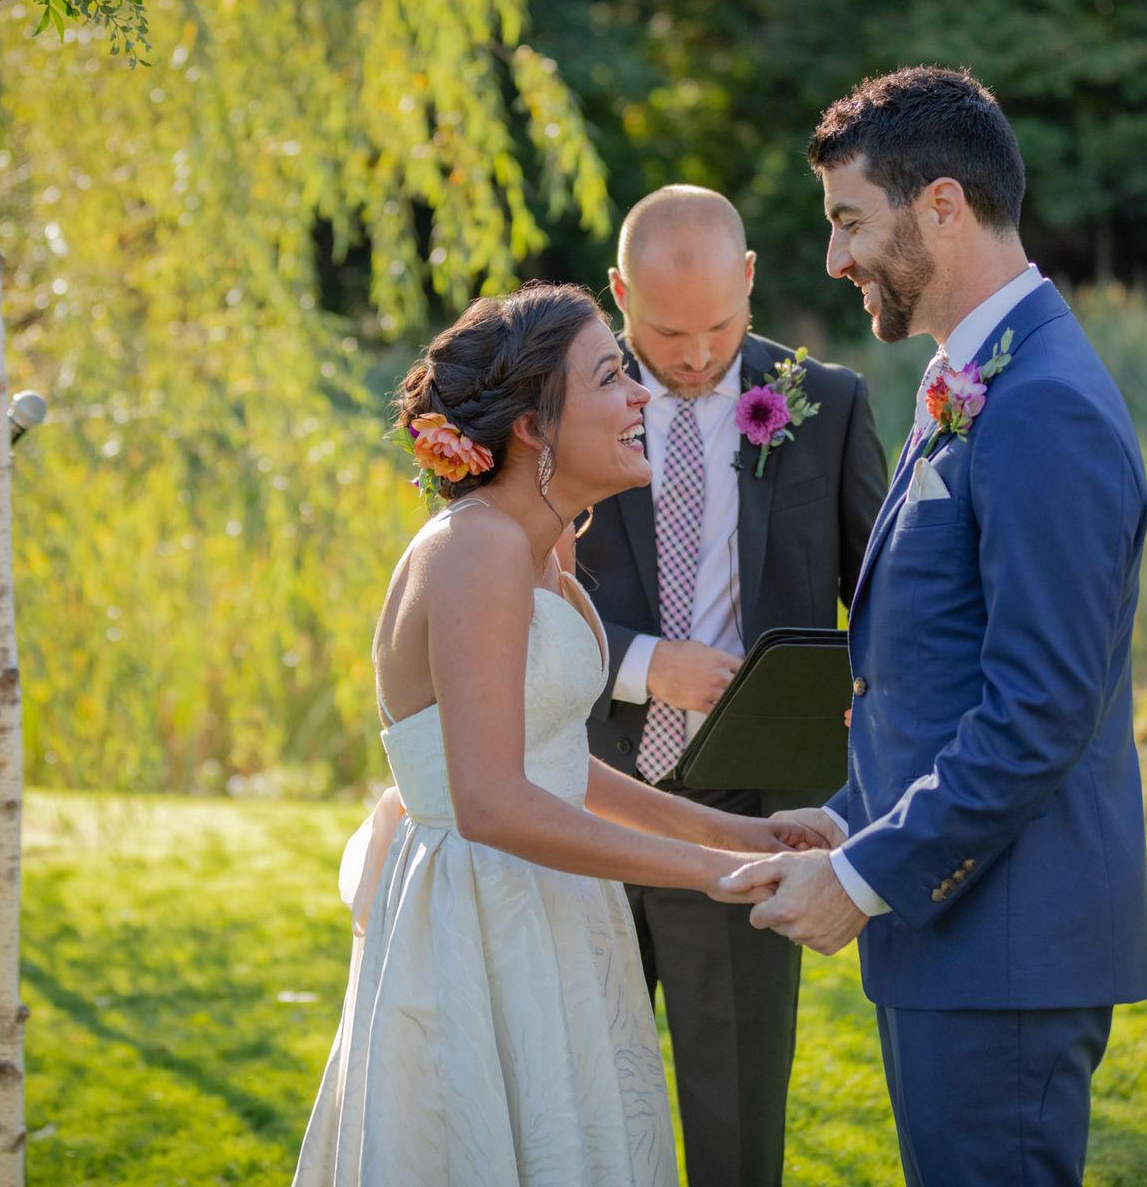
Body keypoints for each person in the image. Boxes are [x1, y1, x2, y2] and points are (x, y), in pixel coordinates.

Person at [729, 67, 1147, 1186]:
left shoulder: (1043, 403)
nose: (832, 259)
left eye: (847, 220)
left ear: (941, 206)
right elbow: (945, 665)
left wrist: (869, 874)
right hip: (960, 944)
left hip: (1004, 954)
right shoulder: (972, 379)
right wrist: (846, 816)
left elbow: (1039, 710)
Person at [292, 282, 828, 1187]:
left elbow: (550, 760)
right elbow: (494, 804)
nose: (642, 398)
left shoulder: (544, 547)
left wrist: (730, 831)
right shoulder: (475, 550)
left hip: (554, 905)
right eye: (613, 378)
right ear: (536, 423)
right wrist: (714, 876)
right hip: (479, 917)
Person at [576, 184, 887, 1186]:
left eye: (719, 323)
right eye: (666, 330)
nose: (698, 353)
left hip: (747, 813)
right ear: (618, 291)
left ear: (750, 279)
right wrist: (640, 661)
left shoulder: (826, 406)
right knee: (570, 1106)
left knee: (737, 1122)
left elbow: (884, 601)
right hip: (575, 797)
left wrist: (853, 719)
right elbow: (510, 597)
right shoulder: (558, 405)